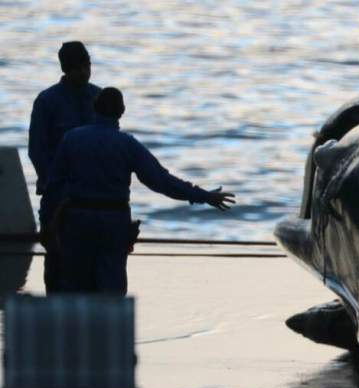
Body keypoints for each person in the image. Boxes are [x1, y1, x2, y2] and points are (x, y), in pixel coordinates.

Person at [43, 87, 235, 294]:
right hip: (113, 222)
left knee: (76, 286)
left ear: (94, 108)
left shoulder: (71, 139)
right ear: (121, 111)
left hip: (77, 221)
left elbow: (53, 186)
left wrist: (46, 223)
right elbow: (161, 181)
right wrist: (203, 196)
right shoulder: (127, 144)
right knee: (111, 290)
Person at [28, 41, 102, 292]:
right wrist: (59, 189)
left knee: (94, 273)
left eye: (86, 65)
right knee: (58, 272)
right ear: (65, 69)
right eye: (77, 67)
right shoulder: (47, 101)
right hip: (57, 199)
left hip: (93, 199)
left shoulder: (99, 97)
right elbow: (37, 152)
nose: (83, 72)